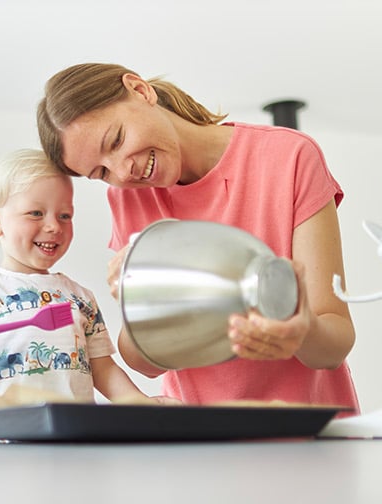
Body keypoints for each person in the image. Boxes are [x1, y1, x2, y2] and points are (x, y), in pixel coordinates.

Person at [37, 63, 359, 415]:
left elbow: (333, 346)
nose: (122, 171)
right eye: (101, 172)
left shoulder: (289, 157)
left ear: (140, 90)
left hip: (308, 433)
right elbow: (146, 362)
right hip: (201, 438)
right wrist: (137, 297)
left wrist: (302, 332)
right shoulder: (128, 198)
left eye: (116, 140)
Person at [0, 148, 162, 405]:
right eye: (36, 213)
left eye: (65, 216)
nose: (53, 226)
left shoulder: (80, 298)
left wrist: (141, 403)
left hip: (74, 438)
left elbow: (103, 368)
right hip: (5, 439)